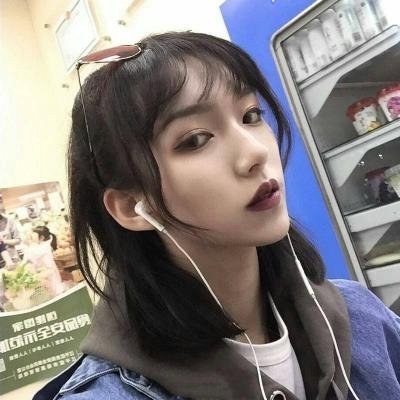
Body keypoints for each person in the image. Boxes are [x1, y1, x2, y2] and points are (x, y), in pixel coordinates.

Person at [34, 32, 400, 400]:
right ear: (131, 207)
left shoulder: (359, 316)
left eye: (251, 115)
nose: (255, 152)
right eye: (195, 139)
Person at [23, 225, 63, 296]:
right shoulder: (39, 246)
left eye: (32, 236)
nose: (30, 237)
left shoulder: (44, 247)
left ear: (41, 238)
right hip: (45, 278)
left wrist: (30, 243)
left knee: (55, 293)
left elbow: (30, 256)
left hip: (50, 278)